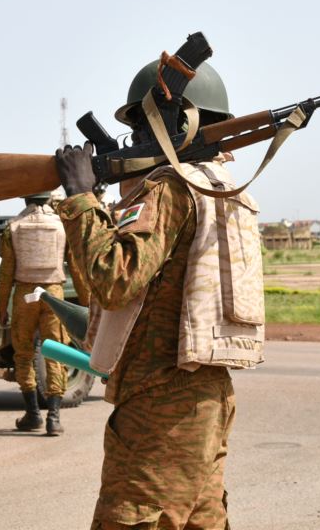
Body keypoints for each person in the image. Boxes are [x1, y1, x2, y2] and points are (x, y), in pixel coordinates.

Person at [54, 60, 265, 530]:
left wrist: (81, 198)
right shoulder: (221, 188)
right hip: (207, 393)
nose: (136, 141)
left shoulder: (171, 189)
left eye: (141, 128)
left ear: (173, 123)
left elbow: (114, 279)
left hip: (160, 399)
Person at [0, 191, 80, 435]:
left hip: (24, 294)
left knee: (23, 354)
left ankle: (33, 414)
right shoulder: (62, 226)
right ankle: (54, 418)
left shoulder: (14, 226)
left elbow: (6, 273)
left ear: (25, 200)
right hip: (53, 293)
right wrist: (86, 302)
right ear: (49, 199)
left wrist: (2, 306)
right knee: (55, 353)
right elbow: (75, 266)